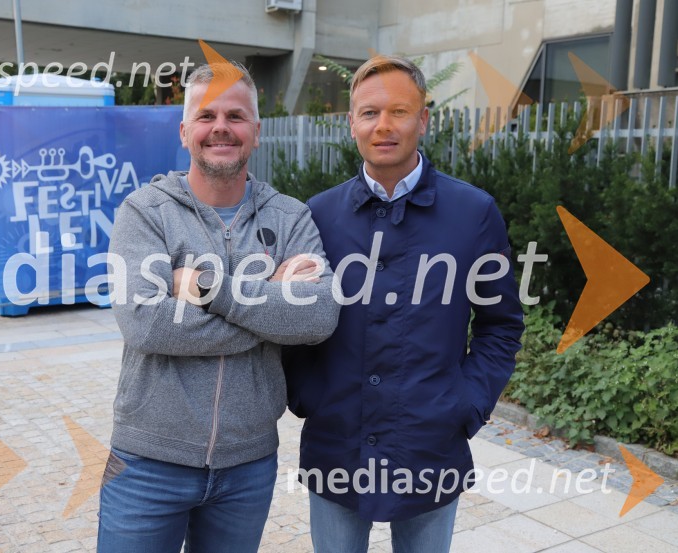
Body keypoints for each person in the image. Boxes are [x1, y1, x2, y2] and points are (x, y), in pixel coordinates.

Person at [284, 55, 525, 553]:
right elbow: (295, 316)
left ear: (424, 119)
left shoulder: (473, 213)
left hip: (430, 446)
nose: (384, 126)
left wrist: (466, 404)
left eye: (399, 111)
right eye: (369, 113)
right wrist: (308, 394)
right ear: (351, 122)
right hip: (337, 442)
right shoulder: (317, 216)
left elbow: (501, 325)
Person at [98, 61, 340, 553]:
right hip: (148, 462)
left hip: (247, 468)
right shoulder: (144, 212)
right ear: (185, 130)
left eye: (236, 115)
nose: (221, 128)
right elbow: (145, 324)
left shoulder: (290, 216)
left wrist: (206, 288)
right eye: (206, 116)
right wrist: (270, 303)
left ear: (256, 130)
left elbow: (318, 315)